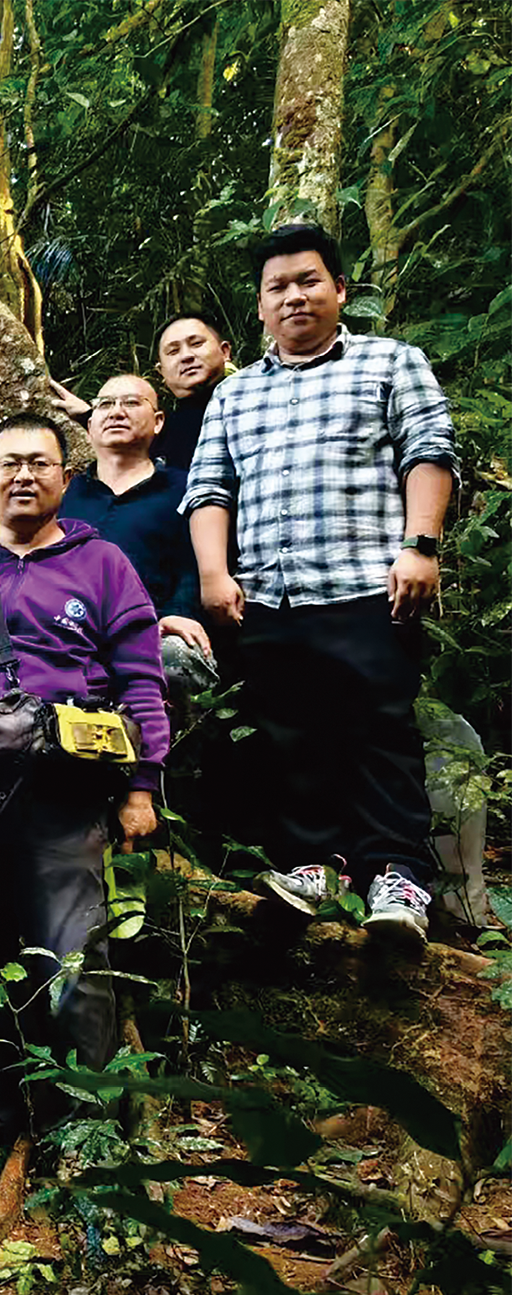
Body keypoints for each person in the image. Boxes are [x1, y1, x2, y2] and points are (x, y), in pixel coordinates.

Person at [0, 413, 169, 1217]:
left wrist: (141, 786)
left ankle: (82, 1127)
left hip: (62, 791)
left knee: (74, 965)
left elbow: (140, 675)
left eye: (40, 462)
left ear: (65, 477)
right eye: (8, 463)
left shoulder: (103, 564)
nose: (23, 475)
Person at [180, 222, 458, 945]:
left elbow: (429, 452)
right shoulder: (237, 395)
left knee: (378, 731)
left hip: (369, 585)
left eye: (308, 281)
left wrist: (420, 545)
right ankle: (314, 865)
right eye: (277, 287)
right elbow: (210, 488)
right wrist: (215, 572)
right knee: (290, 734)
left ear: (338, 288)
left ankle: (396, 875)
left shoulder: (390, 362)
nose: (294, 297)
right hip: (273, 594)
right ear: (260, 306)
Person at [59, 373, 214, 668]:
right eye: (105, 404)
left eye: (131, 403)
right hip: (67, 625)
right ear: (90, 425)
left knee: (178, 655)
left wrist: (179, 612)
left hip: (152, 627)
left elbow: (194, 566)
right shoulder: (66, 493)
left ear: (158, 422)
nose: (117, 412)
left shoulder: (185, 489)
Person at [51, 311, 235, 473]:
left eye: (196, 343)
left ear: (225, 351)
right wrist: (87, 415)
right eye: (173, 351)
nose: (186, 356)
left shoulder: (244, 405)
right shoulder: (160, 430)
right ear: (161, 371)